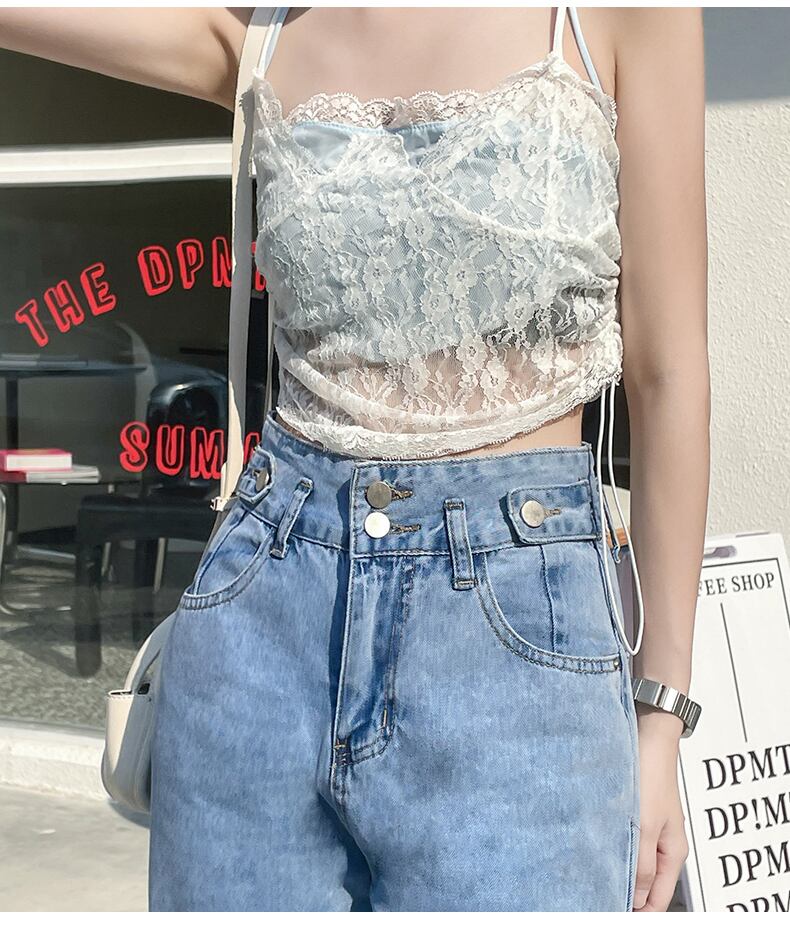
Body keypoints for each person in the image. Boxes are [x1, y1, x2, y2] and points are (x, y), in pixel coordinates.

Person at [0, 5, 709, 912]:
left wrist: (661, 713)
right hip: (267, 604)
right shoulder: (260, 29)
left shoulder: (610, 16)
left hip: (521, 638)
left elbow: (669, 373)